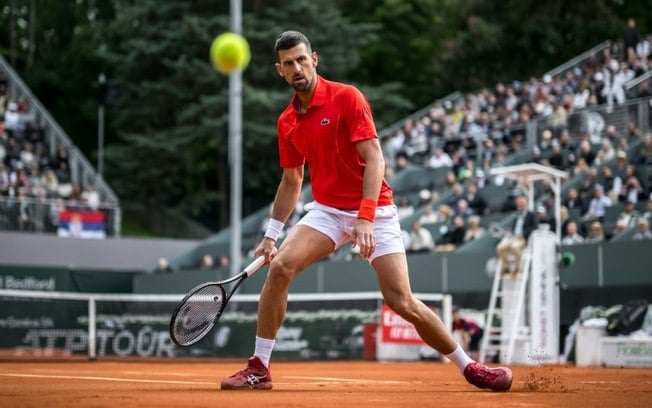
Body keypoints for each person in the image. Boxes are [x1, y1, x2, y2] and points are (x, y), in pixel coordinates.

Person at [220, 30, 512, 392]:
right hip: (326, 211)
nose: (297, 67)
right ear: (279, 70)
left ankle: (470, 368)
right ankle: (259, 367)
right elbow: (292, 180)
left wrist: (365, 217)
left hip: (375, 208)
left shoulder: (347, 97)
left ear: (315, 59)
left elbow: (375, 159)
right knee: (279, 268)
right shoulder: (287, 122)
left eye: (301, 59)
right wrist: (270, 235)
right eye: (288, 63)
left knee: (400, 300)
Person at [496, 194, 538, 277]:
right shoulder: (517, 215)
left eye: (522, 203)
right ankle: (506, 267)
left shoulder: (531, 215)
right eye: (519, 203)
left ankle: (518, 267)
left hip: (522, 239)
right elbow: (515, 228)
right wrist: (511, 231)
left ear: (526, 203)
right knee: (500, 248)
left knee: (514, 247)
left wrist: (523, 234)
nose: (520, 205)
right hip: (513, 238)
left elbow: (534, 227)